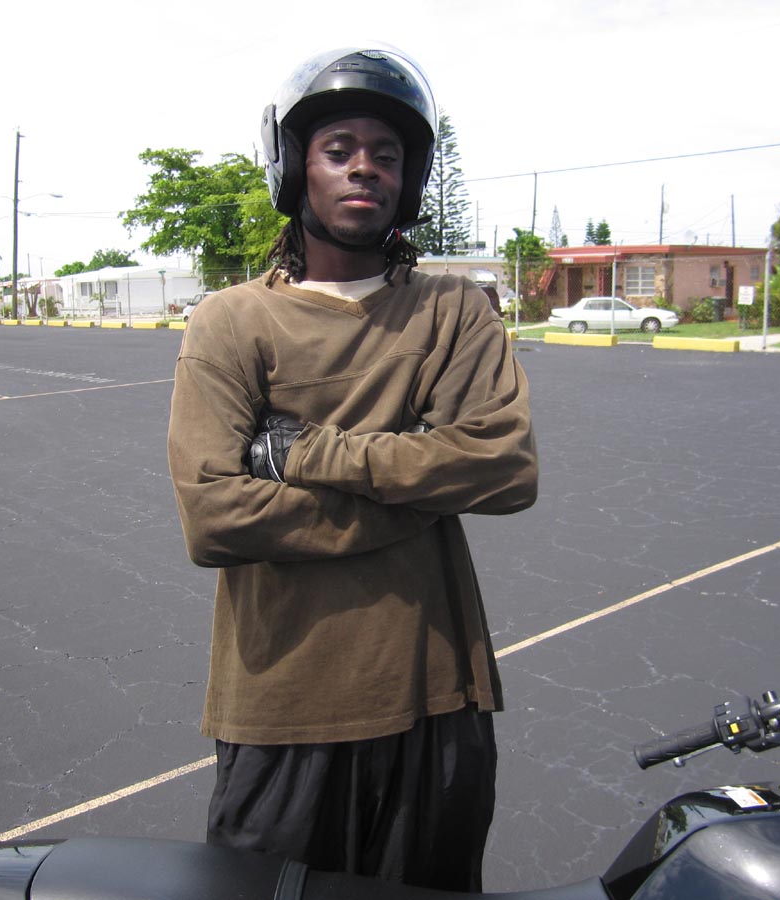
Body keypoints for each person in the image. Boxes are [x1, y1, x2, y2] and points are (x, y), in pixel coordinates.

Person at [167, 46, 538, 892]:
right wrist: (421, 491)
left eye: (387, 154)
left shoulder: (453, 310)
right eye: (339, 150)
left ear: (409, 181)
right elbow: (215, 517)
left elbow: (506, 468)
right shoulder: (231, 322)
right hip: (282, 709)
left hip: (437, 700)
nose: (365, 168)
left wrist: (305, 453)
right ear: (294, 167)